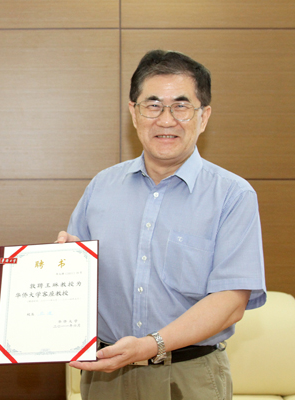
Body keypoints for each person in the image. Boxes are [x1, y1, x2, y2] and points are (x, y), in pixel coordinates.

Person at [57, 50, 266, 399]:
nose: (166, 120)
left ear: (203, 116)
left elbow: (231, 301)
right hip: (108, 375)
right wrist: (63, 265)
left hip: (190, 376)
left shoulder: (233, 195)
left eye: (181, 106)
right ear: (133, 113)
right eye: (153, 105)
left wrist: (150, 345)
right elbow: (76, 284)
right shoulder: (101, 187)